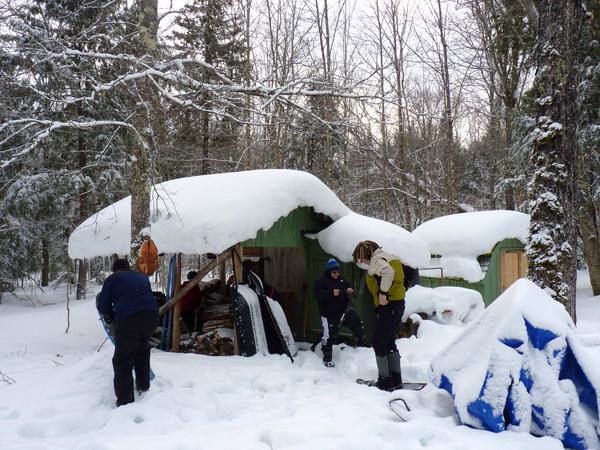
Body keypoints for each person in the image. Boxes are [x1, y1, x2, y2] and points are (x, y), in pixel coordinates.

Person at [96, 258, 159, 407]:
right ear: (128, 268)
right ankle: (143, 386)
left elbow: (103, 305)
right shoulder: (141, 276)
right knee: (142, 350)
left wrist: (111, 317)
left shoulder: (113, 279)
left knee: (122, 360)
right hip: (151, 316)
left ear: (115, 270)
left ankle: (125, 401)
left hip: (129, 318)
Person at [352, 241, 405, 391]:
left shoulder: (376, 260)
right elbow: (406, 273)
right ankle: (396, 379)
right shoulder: (391, 256)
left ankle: (385, 381)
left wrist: (383, 293)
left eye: (361, 258)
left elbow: (389, 272)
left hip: (389, 307)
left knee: (379, 342)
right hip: (398, 304)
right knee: (389, 341)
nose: (361, 262)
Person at [313, 258, 366, 368]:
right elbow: (318, 295)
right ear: (329, 272)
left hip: (344, 311)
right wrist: (331, 293)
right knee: (329, 336)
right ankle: (327, 359)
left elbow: (348, 286)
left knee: (358, 324)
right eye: (334, 272)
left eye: (338, 272)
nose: (337, 274)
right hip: (328, 314)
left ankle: (363, 351)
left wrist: (351, 289)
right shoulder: (321, 281)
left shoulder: (341, 280)